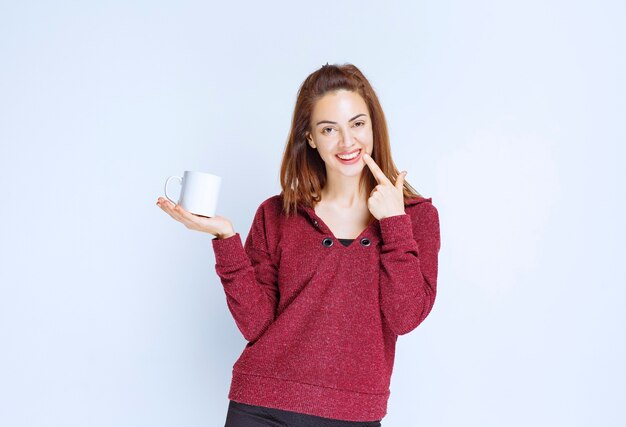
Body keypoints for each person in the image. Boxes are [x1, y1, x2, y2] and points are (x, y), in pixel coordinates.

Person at [156, 63, 441, 426]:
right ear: (310, 138)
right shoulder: (277, 214)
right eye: (329, 129)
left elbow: (405, 316)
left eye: (357, 124)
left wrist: (394, 223)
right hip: (261, 405)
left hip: (353, 414)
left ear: (373, 125)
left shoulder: (415, 218)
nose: (347, 142)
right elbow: (257, 326)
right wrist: (226, 239)